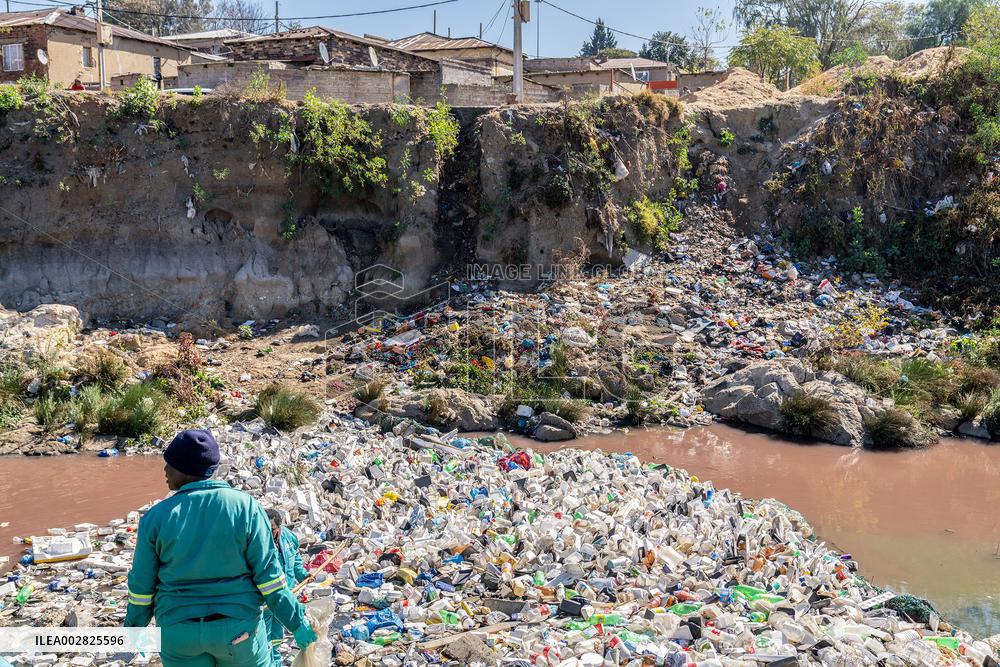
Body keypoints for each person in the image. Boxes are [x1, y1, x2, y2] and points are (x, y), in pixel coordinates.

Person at [124, 429, 317, 666]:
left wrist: (134, 631)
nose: (165, 471)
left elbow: (142, 589)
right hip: (238, 633)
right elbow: (270, 580)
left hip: (178, 635)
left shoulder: (156, 517)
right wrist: (297, 623)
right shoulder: (246, 507)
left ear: (185, 470)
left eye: (170, 464)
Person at [263, 509, 308, 666]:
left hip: (286, 596)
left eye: (272, 529)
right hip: (266, 600)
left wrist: (303, 575)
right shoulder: (258, 541)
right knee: (265, 638)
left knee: (277, 636)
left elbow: (295, 560)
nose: (269, 532)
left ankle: (276, 663)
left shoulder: (289, 538)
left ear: (279, 527)